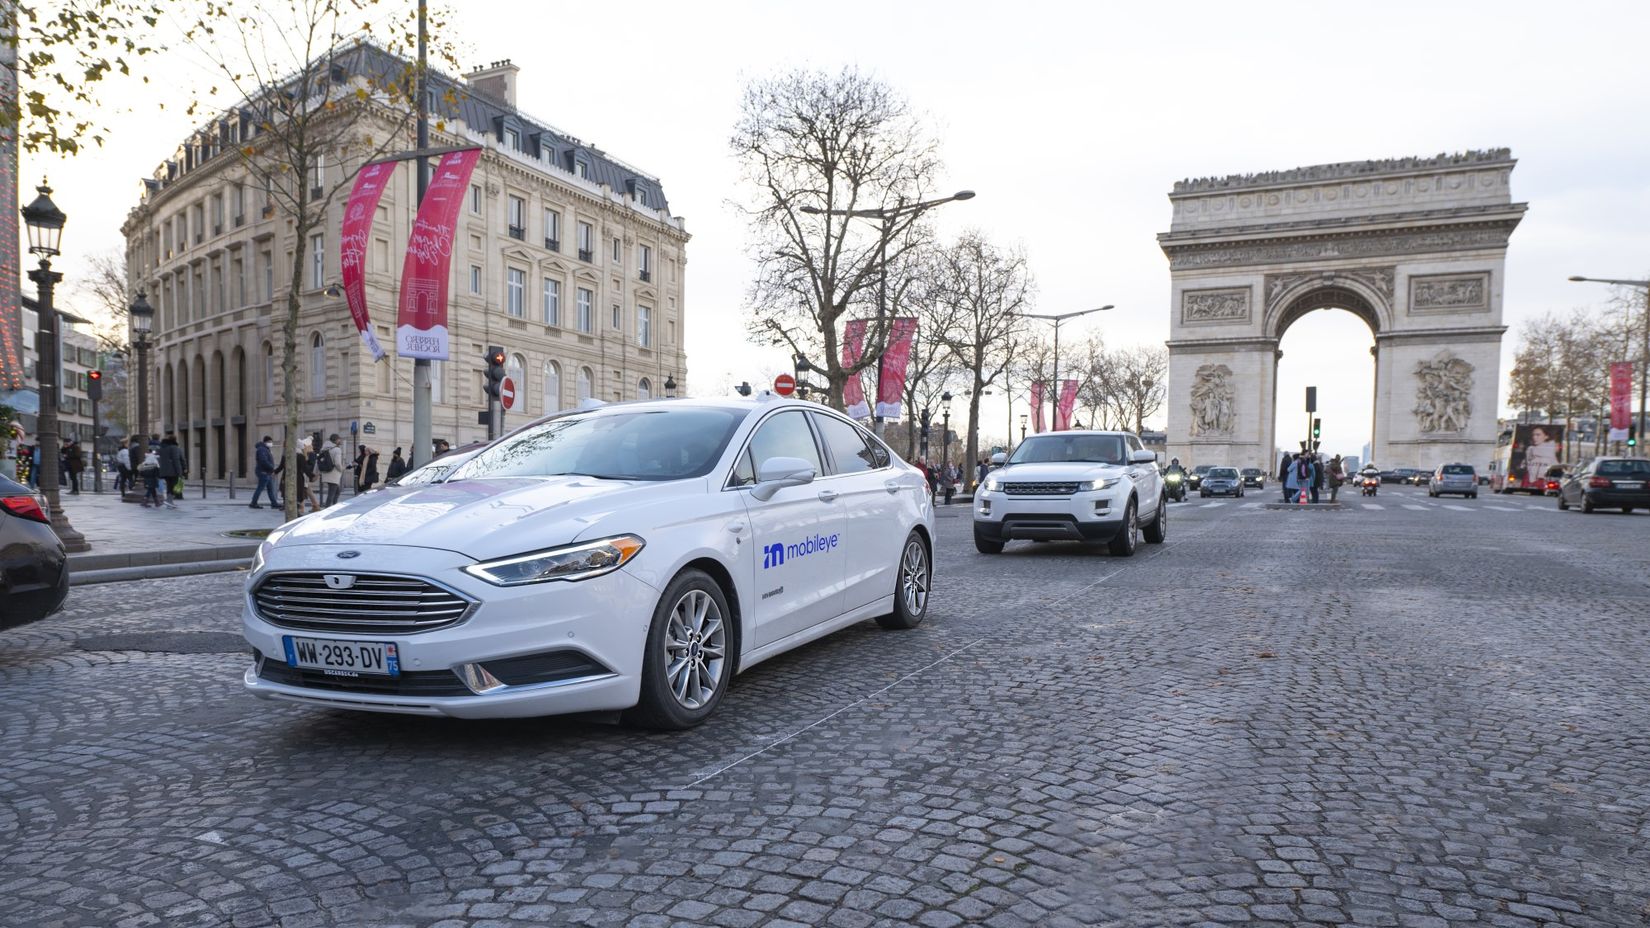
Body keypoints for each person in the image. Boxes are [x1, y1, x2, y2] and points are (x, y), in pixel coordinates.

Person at [251, 435, 280, 509]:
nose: (271, 443)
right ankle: (253, 503)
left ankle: (274, 503)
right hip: (263, 472)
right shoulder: (262, 449)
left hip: (267, 472)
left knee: (270, 489)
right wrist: (271, 467)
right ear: (266, 442)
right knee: (260, 488)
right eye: (270, 442)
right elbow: (263, 461)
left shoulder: (265, 449)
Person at [157, 432, 184, 508]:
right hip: (173, 470)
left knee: (169, 485)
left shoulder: (162, 447)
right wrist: (179, 471)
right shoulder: (174, 448)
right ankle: (169, 500)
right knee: (173, 486)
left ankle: (170, 501)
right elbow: (176, 460)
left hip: (164, 470)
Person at [318, 433, 344, 507]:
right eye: (339, 439)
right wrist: (341, 469)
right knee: (331, 493)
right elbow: (337, 463)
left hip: (326, 472)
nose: (340, 441)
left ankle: (333, 506)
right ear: (336, 440)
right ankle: (328, 508)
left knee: (337, 491)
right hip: (334, 474)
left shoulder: (324, 449)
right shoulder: (337, 449)